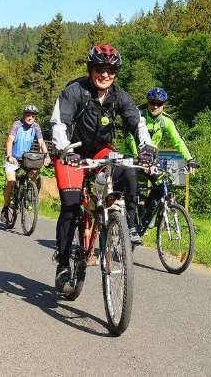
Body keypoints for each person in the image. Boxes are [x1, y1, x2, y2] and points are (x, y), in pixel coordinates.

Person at [50, 43, 156, 289]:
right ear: (91, 69)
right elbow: (59, 122)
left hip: (100, 150)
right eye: (100, 69)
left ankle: (127, 226)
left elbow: (136, 121)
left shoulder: (119, 95)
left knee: (129, 171)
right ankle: (64, 264)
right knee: (70, 204)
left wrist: (147, 148)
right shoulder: (74, 91)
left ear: (116, 73)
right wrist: (66, 149)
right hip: (71, 151)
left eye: (110, 70)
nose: (105, 74)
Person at [123, 86, 198, 227]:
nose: (155, 106)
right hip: (131, 157)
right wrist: (140, 157)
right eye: (152, 102)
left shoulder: (166, 121)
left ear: (164, 105)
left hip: (150, 159)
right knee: (131, 186)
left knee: (161, 184)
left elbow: (178, 141)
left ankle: (146, 216)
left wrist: (190, 159)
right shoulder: (138, 116)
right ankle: (129, 223)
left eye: (159, 104)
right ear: (147, 102)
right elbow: (130, 138)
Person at [1, 105, 50, 222]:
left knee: (35, 170)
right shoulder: (17, 125)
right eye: (28, 115)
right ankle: (5, 207)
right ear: (24, 115)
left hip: (26, 158)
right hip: (13, 158)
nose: (30, 118)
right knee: (11, 182)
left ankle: (28, 189)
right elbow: (10, 140)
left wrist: (46, 156)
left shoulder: (36, 127)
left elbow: (41, 143)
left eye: (33, 116)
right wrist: (9, 155)